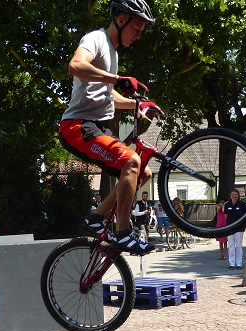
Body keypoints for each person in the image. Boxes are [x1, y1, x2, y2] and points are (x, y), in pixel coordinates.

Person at [58, 0, 158, 255]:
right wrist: (117, 78)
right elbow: (75, 66)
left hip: (97, 128)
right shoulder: (96, 39)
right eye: (137, 28)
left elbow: (107, 94)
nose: (138, 36)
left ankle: (96, 218)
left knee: (141, 173)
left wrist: (137, 106)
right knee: (132, 162)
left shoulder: (113, 53)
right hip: (78, 126)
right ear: (121, 20)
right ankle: (123, 232)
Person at [224, 189, 246, 269]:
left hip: (239, 228)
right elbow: (226, 216)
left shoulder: (242, 204)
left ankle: (239, 264)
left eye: (236, 194)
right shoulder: (227, 205)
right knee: (231, 246)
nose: (234, 196)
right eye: (233, 194)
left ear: (238, 195)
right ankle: (232, 263)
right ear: (230, 196)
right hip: (230, 228)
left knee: (238, 246)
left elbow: (245, 216)